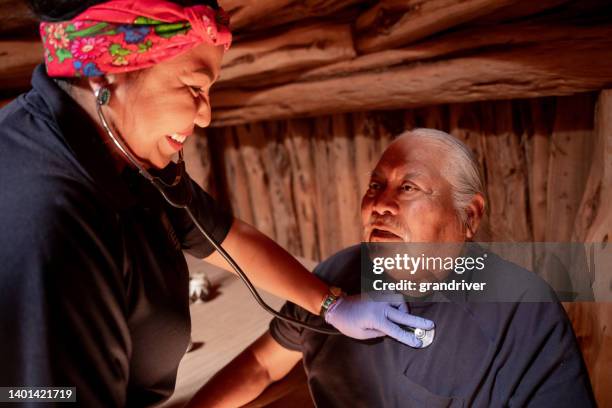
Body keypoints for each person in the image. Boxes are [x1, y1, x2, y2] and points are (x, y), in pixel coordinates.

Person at [0, 1, 432, 406]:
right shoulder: (48, 221)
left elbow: (221, 234)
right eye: (193, 87)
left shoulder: (128, 152)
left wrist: (331, 304)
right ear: (105, 74)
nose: (205, 116)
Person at [188, 129, 596, 407]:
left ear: (469, 215)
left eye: (409, 188)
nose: (381, 203)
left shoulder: (521, 307)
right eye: (375, 186)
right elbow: (261, 366)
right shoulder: (338, 278)